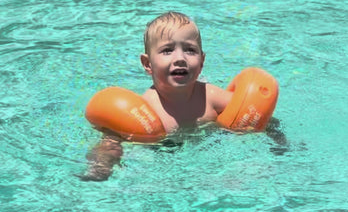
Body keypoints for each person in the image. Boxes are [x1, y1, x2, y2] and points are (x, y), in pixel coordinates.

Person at [80, 11, 234, 181]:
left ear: (202, 61)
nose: (180, 58)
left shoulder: (210, 96)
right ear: (148, 64)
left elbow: (247, 112)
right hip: (159, 162)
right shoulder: (145, 110)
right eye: (167, 51)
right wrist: (102, 165)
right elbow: (110, 141)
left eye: (190, 50)